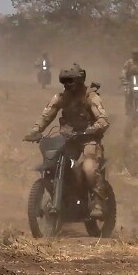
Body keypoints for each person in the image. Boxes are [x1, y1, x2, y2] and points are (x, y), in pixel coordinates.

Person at [23, 64, 109, 216]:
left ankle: (98, 204)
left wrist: (91, 129)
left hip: (88, 139)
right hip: (67, 139)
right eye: (65, 82)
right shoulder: (61, 97)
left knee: (89, 168)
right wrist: (35, 131)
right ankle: (64, 199)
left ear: (80, 80)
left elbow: (103, 120)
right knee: (55, 164)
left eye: (71, 81)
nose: (68, 85)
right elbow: (47, 115)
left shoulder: (91, 97)